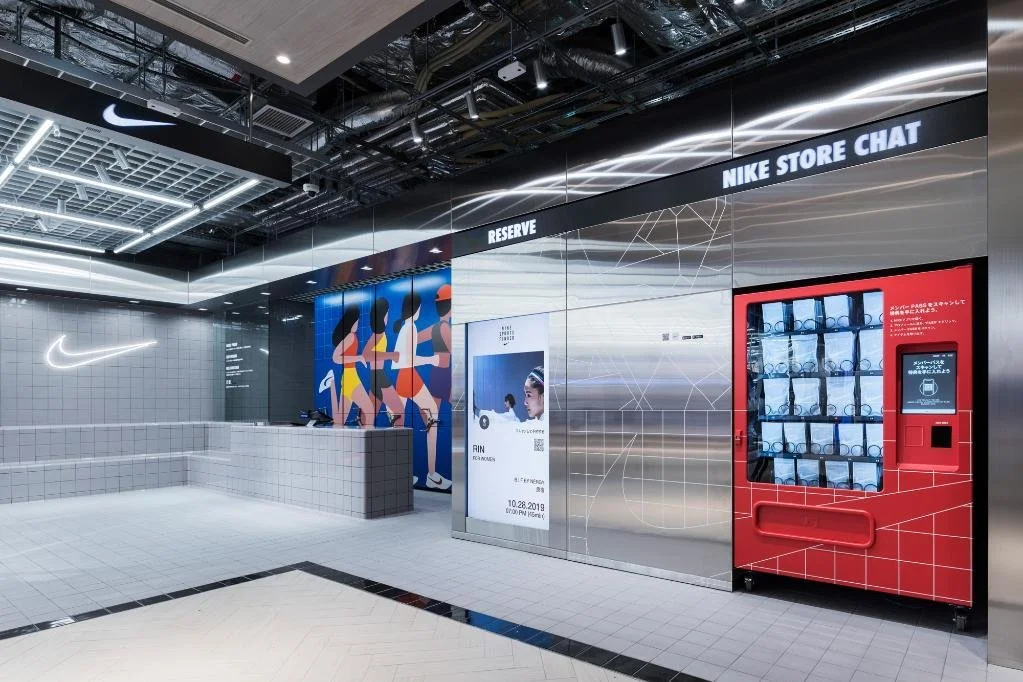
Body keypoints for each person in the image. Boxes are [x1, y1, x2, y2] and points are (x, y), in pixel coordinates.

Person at [393, 292, 450, 490]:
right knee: (432, 414)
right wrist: (431, 359)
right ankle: (431, 474)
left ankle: (404, 473)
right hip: (409, 376)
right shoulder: (410, 327)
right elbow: (409, 359)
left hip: (403, 376)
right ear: (416, 309)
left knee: (400, 425)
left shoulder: (405, 328)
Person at [321, 304, 375, 425]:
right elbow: (336, 357)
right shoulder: (350, 336)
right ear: (353, 320)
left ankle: (332, 384)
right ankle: (365, 442)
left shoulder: (351, 336)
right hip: (351, 377)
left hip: (347, 377)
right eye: (357, 319)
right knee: (369, 411)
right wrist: (358, 357)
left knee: (339, 421)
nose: (358, 322)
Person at [362, 297, 404, 425]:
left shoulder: (380, 334)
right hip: (379, 377)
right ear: (382, 315)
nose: (388, 316)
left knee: (368, 418)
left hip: (375, 376)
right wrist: (391, 355)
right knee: (399, 410)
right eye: (387, 313)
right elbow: (366, 355)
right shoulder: (378, 335)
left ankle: (363, 442)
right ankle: (399, 443)